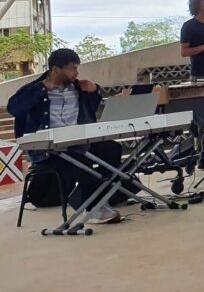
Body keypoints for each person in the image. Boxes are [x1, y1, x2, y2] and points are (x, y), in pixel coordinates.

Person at [7, 49, 123, 224]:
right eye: (72, 68)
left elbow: (91, 109)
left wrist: (95, 90)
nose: (76, 73)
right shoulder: (34, 89)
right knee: (79, 157)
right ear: (55, 69)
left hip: (79, 140)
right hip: (48, 148)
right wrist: (41, 89)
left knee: (113, 149)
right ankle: (94, 209)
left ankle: (103, 194)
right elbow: (14, 108)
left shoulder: (78, 88)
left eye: (77, 68)